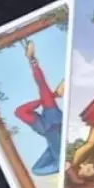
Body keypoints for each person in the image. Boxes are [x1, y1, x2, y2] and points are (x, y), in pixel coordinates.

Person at [14, 40, 64, 176]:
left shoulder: (41, 121)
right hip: (52, 128)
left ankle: (32, 60)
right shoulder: (39, 120)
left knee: (43, 90)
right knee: (44, 92)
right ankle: (32, 60)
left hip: (51, 129)